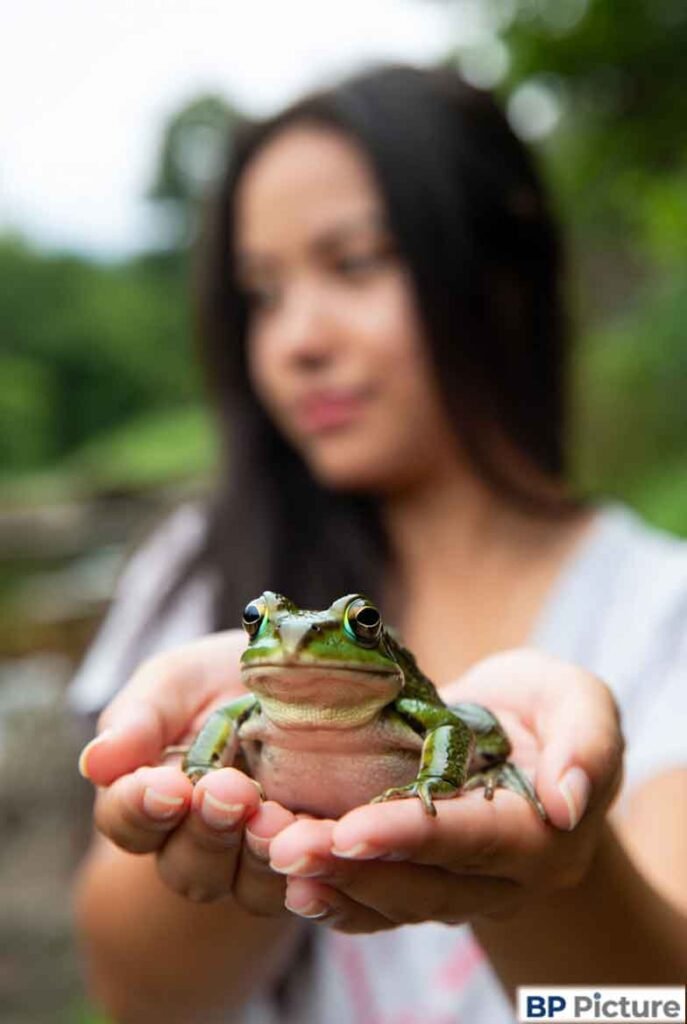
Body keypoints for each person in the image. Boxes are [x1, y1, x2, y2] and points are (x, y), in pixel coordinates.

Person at [70, 64, 687, 1024]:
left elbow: (653, 1010)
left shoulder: (657, 613)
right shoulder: (192, 577)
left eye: (354, 263)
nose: (294, 342)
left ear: (499, 270)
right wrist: (224, 819)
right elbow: (138, 1002)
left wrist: (560, 868)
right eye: (262, 294)